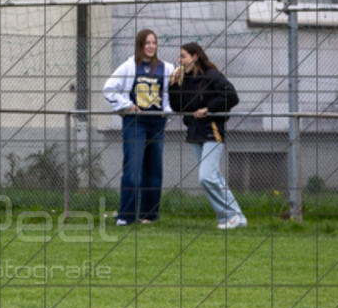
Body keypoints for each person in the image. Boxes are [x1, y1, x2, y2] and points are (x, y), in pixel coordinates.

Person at [169, 42, 247, 229]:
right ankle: (234, 218)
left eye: (183, 56)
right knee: (213, 177)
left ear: (194, 57)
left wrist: (208, 109)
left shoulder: (212, 76)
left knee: (207, 177)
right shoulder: (185, 80)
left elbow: (232, 96)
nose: (180, 60)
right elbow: (178, 107)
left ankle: (231, 214)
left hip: (212, 129)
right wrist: (173, 86)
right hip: (195, 131)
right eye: (179, 57)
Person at [102, 28, 174, 226]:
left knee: (154, 170)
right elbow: (108, 88)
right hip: (136, 122)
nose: (151, 46)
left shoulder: (166, 68)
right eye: (147, 43)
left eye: (154, 43)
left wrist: (166, 111)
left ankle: (149, 215)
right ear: (140, 45)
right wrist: (127, 105)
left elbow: (173, 95)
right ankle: (126, 215)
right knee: (133, 170)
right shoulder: (129, 66)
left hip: (157, 122)